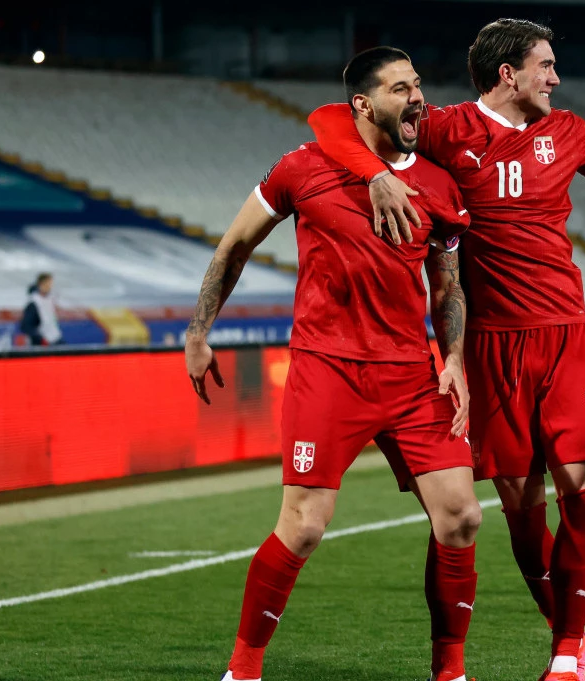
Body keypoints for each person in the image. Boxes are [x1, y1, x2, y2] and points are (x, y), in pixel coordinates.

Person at [308, 19, 585, 681]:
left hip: (564, 337)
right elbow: (331, 119)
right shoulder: (448, 129)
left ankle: (566, 652)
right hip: (490, 348)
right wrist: (374, 175)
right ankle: (568, 634)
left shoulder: (569, 132)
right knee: (521, 511)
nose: (555, 78)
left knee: (581, 484)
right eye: (546, 66)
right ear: (509, 74)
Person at [185, 47, 481, 681]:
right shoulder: (302, 167)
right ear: (363, 104)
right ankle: (243, 670)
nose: (417, 97)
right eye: (400, 88)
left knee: (461, 516)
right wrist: (198, 331)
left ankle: (450, 671)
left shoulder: (438, 184)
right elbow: (235, 245)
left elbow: (448, 286)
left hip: (411, 375)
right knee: (304, 526)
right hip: (328, 370)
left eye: (417, 84)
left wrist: (454, 356)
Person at [20, 272, 63, 346]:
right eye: (48, 284)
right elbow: (26, 326)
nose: (50, 287)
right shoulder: (33, 303)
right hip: (42, 343)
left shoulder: (50, 298)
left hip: (55, 338)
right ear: (41, 284)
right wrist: (40, 339)